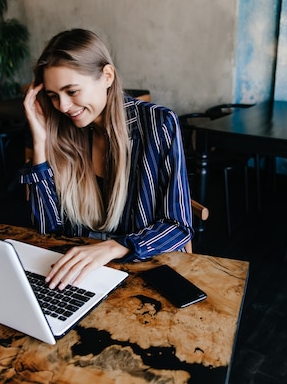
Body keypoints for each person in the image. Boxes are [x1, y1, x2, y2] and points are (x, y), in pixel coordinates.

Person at [20, 29, 193, 290]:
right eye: (54, 96)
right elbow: (48, 229)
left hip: (140, 272)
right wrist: (41, 142)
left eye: (72, 91)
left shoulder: (158, 124)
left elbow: (178, 226)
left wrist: (114, 247)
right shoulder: (63, 130)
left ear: (107, 76)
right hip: (80, 277)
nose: (63, 107)